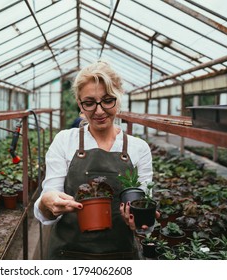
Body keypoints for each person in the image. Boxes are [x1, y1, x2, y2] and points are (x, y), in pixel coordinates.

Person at [33, 60, 154, 260]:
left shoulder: (138, 148)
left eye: (107, 100)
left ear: (119, 97)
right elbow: (46, 207)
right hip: (68, 253)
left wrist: (143, 221)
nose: (99, 111)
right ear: (80, 105)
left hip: (120, 255)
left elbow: (146, 216)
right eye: (89, 103)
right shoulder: (65, 141)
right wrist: (47, 203)